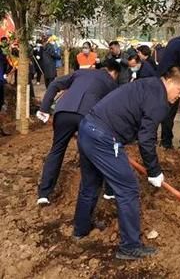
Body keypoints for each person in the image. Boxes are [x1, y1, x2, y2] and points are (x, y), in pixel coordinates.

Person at [73, 66, 180, 260]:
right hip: (103, 136)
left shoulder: (148, 84)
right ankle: (129, 246)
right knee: (128, 189)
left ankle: (81, 229)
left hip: (87, 127)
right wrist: (154, 171)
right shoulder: (159, 100)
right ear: (169, 81)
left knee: (90, 184)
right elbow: (146, 138)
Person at [35, 60, 122, 205]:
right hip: (87, 117)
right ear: (114, 72)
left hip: (63, 113)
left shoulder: (81, 72)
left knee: (56, 150)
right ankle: (107, 192)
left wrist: (44, 108)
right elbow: (112, 110)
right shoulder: (111, 83)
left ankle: (44, 194)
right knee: (93, 153)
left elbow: (55, 84)